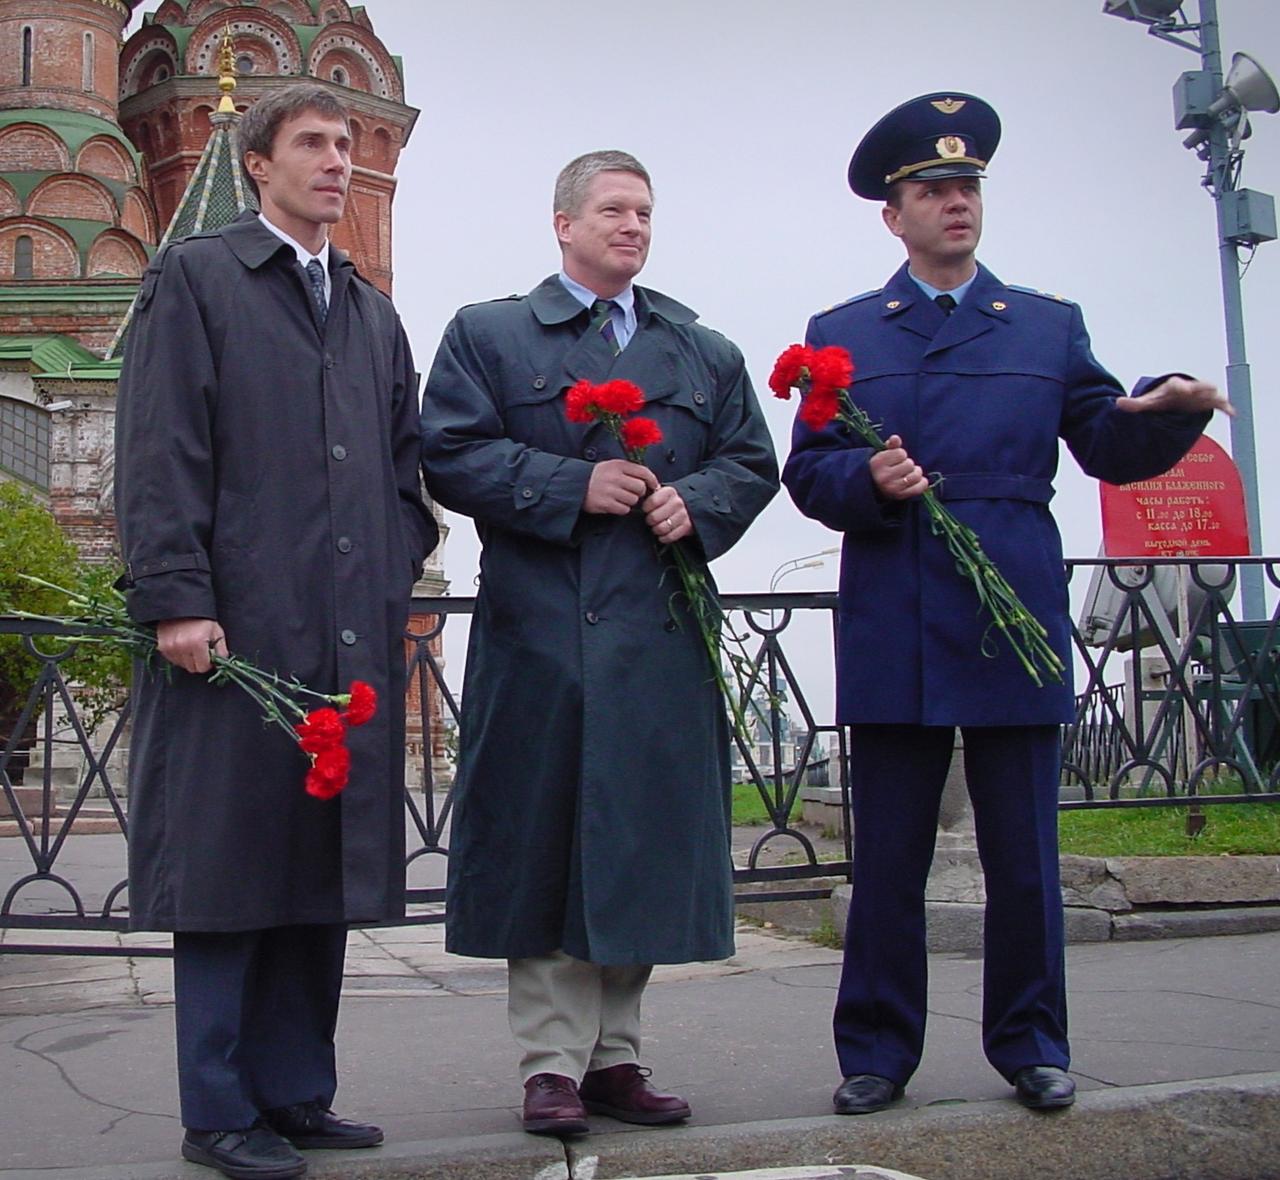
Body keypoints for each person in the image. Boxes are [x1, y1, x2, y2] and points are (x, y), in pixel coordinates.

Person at [782, 93, 1230, 1116]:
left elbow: (1105, 439)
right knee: (888, 857)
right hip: (895, 608)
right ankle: (875, 1052)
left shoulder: (1043, 323)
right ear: (891, 214)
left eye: (966, 187)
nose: (954, 203)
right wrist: (868, 483)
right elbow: (807, 473)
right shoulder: (841, 332)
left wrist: (1166, 409)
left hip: (1010, 611)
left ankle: (1030, 1041)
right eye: (931, 190)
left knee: (1022, 859)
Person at [114, 85, 437, 1180]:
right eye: (311, 143)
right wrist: (174, 595)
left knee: (315, 865)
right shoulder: (200, 278)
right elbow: (161, 447)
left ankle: (296, 1092)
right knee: (226, 869)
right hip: (233, 632)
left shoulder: (366, 309)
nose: (336, 161)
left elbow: (404, 474)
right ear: (258, 163)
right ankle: (218, 1110)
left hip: (343, 633)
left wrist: (391, 571)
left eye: (347, 144)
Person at [420, 150, 778, 1136]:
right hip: (540, 635)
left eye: (645, 212)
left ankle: (616, 1054)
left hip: (658, 634)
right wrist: (568, 484)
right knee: (546, 841)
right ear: (561, 223)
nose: (633, 226)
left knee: (638, 844)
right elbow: (447, 448)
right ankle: (549, 1065)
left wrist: (691, 502)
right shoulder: (490, 333)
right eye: (614, 209)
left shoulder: (698, 349)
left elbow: (752, 459)